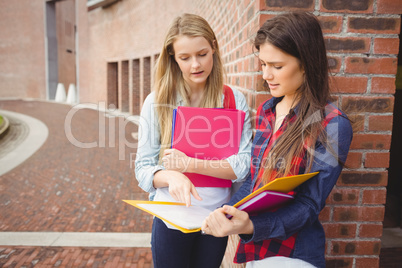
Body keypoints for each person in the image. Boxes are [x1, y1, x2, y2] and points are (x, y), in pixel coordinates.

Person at [201, 11, 353, 268]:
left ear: (306, 63)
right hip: (255, 250)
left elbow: (308, 205)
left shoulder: (333, 124)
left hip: (293, 255)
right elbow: (254, 178)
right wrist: (227, 210)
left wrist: (251, 225)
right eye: (262, 64)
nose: (266, 75)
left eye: (277, 66)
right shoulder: (266, 111)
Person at [134, 13, 252, 268]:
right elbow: (142, 169)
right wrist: (172, 176)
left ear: (214, 48)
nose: (195, 65)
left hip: (215, 220)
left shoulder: (233, 100)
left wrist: (188, 165)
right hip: (170, 219)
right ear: (173, 59)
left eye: (202, 54)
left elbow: (243, 165)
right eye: (184, 58)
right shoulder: (156, 102)